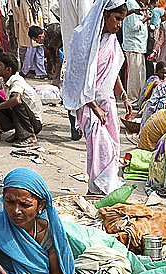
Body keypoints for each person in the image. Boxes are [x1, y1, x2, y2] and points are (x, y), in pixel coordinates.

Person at [62, 0, 131, 195]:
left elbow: (112, 70)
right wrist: (94, 106)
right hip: (86, 103)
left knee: (113, 145)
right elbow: (78, 75)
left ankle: (98, 187)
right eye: (116, 19)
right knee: (101, 145)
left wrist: (123, 95)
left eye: (122, 20)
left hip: (106, 100)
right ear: (105, 14)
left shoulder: (112, 41)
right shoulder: (82, 38)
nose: (119, 25)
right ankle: (102, 187)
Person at [0, 52, 44, 144]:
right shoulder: (3, 79)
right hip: (21, 117)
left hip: (34, 122)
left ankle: (29, 136)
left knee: (15, 101)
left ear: (8, 69)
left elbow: (16, 100)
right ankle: (18, 132)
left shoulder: (16, 80)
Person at [137, 61, 166, 140]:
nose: (164, 75)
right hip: (147, 103)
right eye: (162, 73)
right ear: (156, 72)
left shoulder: (163, 80)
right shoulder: (154, 80)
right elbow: (153, 96)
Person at [122, 0, 150, 106]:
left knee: (140, 75)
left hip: (140, 46)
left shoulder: (138, 5)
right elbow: (133, 26)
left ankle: (139, 99)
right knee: (134, 76)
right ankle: (132, 100)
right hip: (133, 45)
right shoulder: (131, 4)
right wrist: (145, 18)